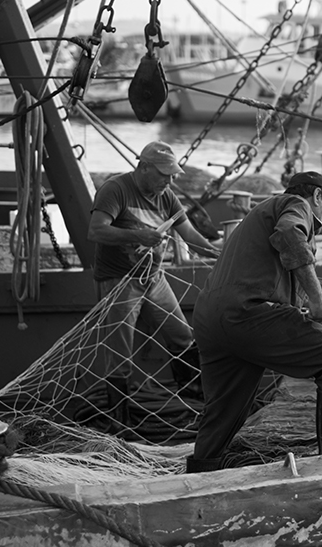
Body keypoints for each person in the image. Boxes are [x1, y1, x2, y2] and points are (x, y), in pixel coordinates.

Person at [187, 171, 322, 472]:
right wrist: (318, 301)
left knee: (224, 410)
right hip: (248, 314)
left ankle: (200, 478)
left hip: (210, 318)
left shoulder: (260, 213)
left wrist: (306, 308)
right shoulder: (297, 204)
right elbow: (290, 233)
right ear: (317, 196)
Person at [87, 141, 221, 425]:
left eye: (172, 175)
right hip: (120, 280)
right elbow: (96, 231)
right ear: (144, 167)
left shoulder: (167, 196)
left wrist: (221, 256)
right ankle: (119, 422)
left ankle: (194, 405)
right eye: (164, 174)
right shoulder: (115, 189)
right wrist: (139, 236)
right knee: (120, 353)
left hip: (154, 278)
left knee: (183, 337)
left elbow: (190, 235)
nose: (169, 181)